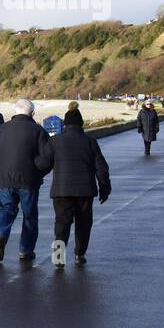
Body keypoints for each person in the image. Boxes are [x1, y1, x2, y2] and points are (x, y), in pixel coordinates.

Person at [36, 108, 111, 267]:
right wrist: (105, 188)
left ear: (65, 123)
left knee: (61, 225)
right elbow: (101, 168)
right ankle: (79, 254)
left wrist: (32, 170)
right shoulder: (90, 142)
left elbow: (43, 164)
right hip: (85, 191)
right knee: (83, 224)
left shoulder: (55, 141)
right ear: (81, 124)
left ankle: (58, 258)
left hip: (61, 191)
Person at [0, 98, 52, 262]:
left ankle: (0, 237)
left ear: (15, 112)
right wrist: (39, 172)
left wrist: (0, 170)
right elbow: (48, 158)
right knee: (29, 216)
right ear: (33, 113)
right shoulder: (38, 131)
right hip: (29, 181)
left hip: (5, 180)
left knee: (5, 211)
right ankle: (26, 250)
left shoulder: (1, 130)